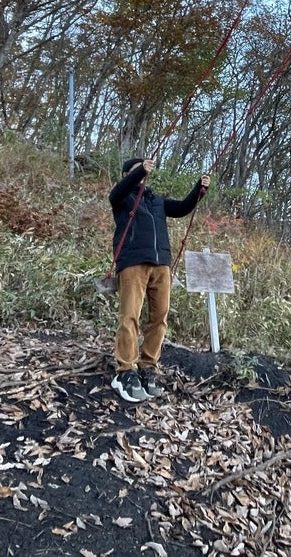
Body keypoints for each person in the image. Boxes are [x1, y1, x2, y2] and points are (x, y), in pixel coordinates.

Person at [108, 157, 210, 402]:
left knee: (159, 318)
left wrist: (199, 189)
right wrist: (140, 171)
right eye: (136, 171)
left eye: (144, 170)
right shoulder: (123, 198)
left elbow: (182, 208)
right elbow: (117, 193)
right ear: (126, 175)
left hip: (161, 265)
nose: (143, 174)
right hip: (133, 262)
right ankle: (125, 371)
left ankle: (148, 368)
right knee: (129, 316)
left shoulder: (157, 201)